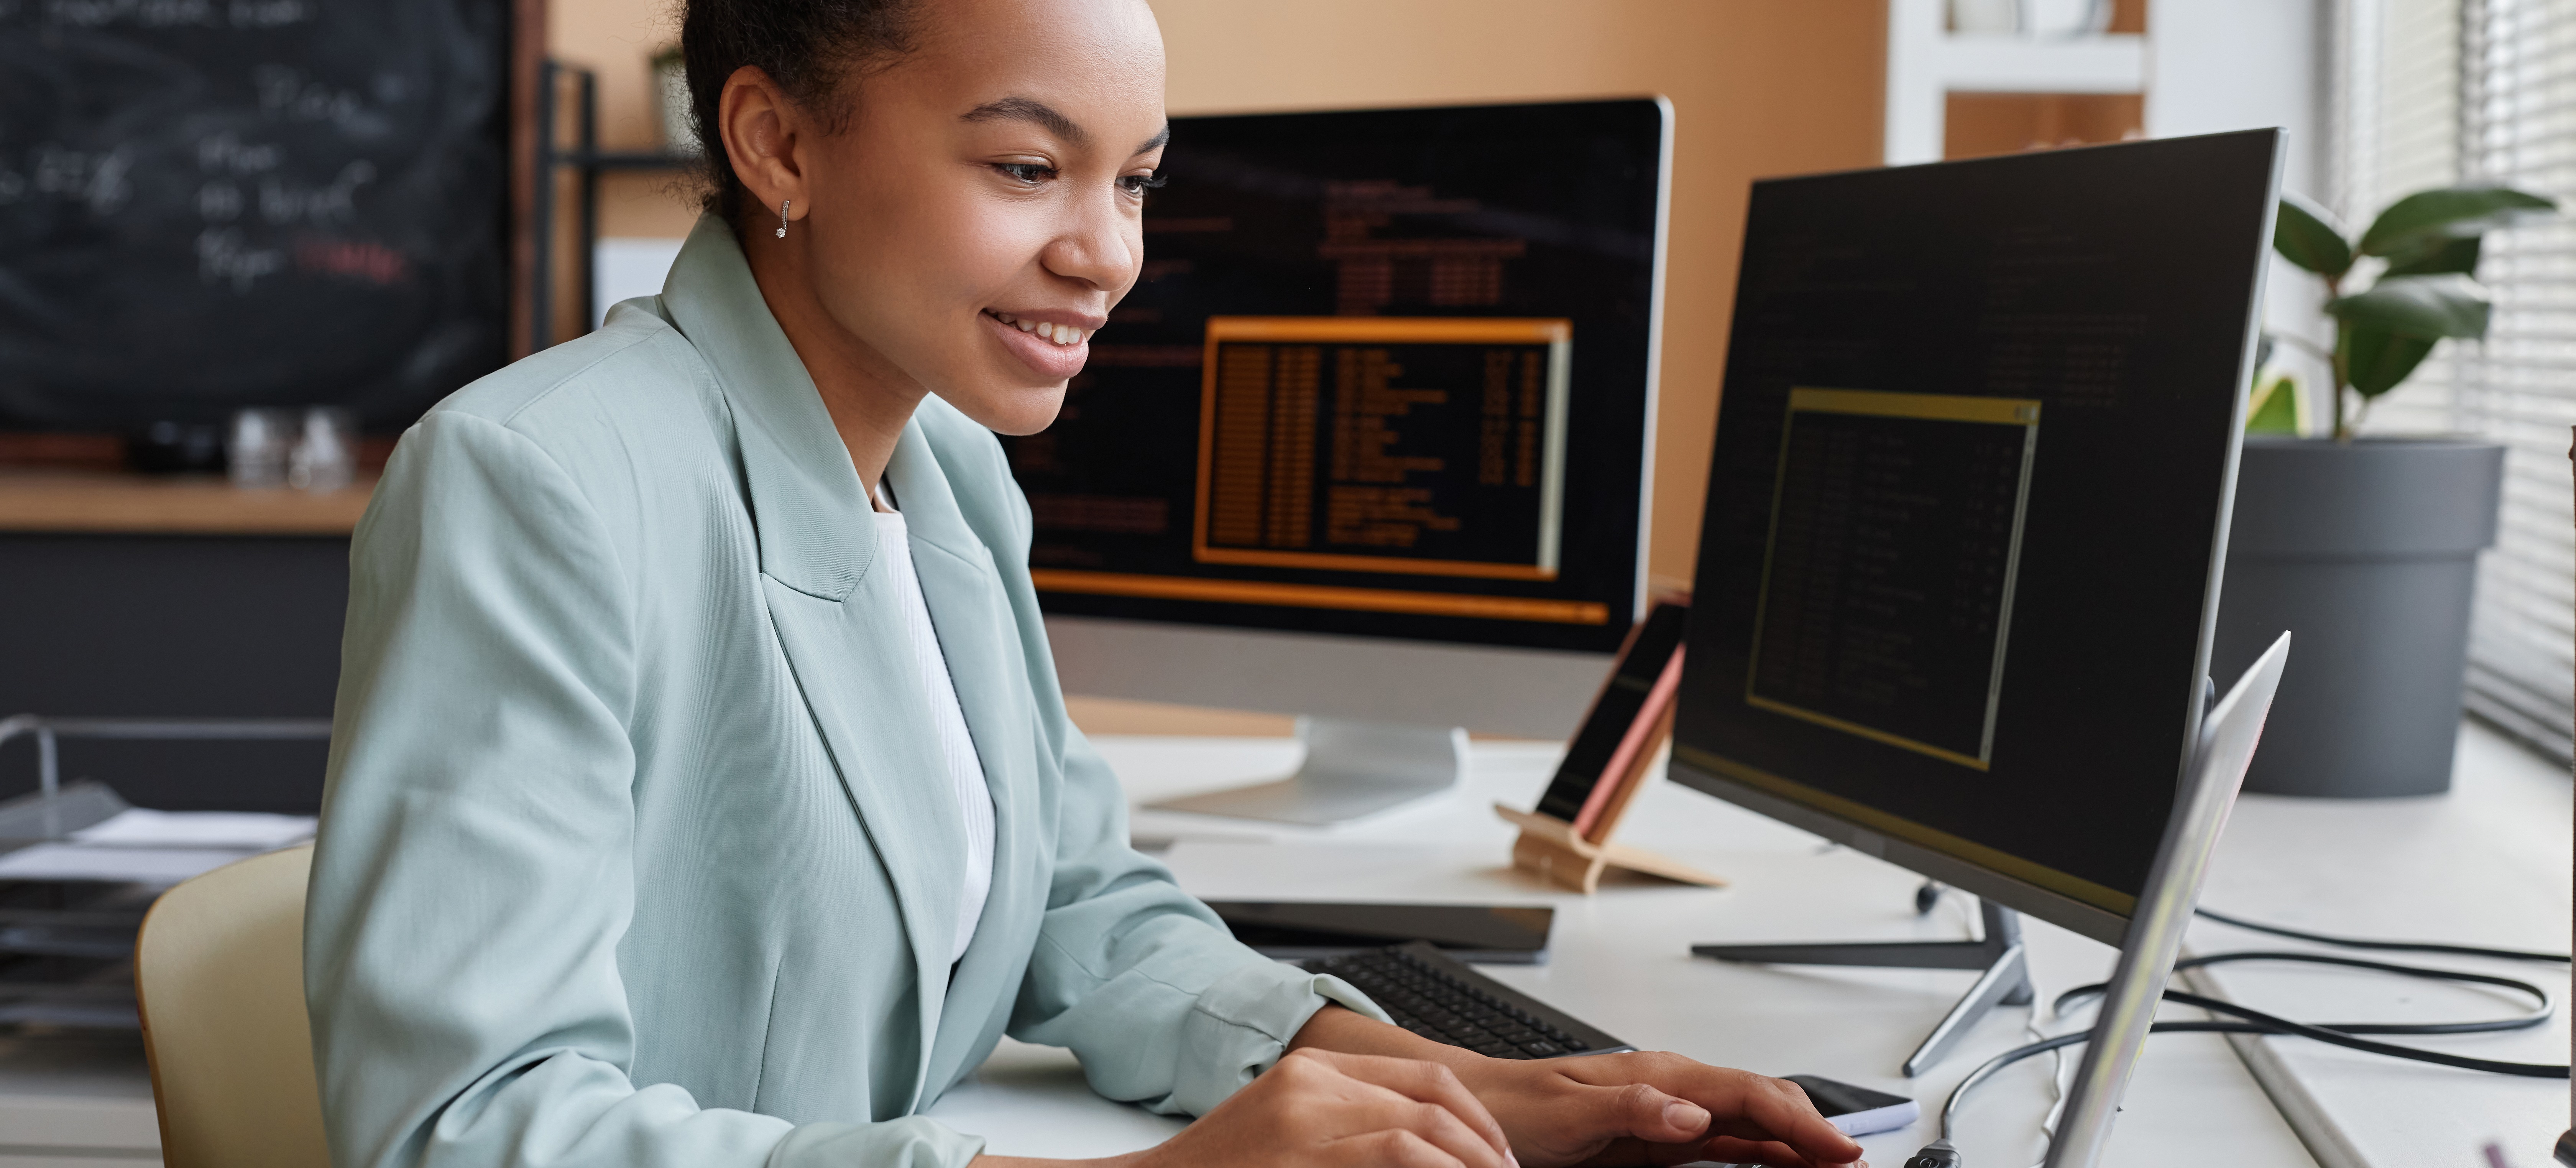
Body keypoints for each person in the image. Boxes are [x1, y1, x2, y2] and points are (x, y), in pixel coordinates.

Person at [302, 1, 1870, 1165]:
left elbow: (1070, 899)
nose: (1107, 253)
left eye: (1136, 181)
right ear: (777, 143)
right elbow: (467, 1125)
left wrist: (1420, 1080)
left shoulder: (954, 471)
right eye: (1031, 166)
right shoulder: (536, 481)